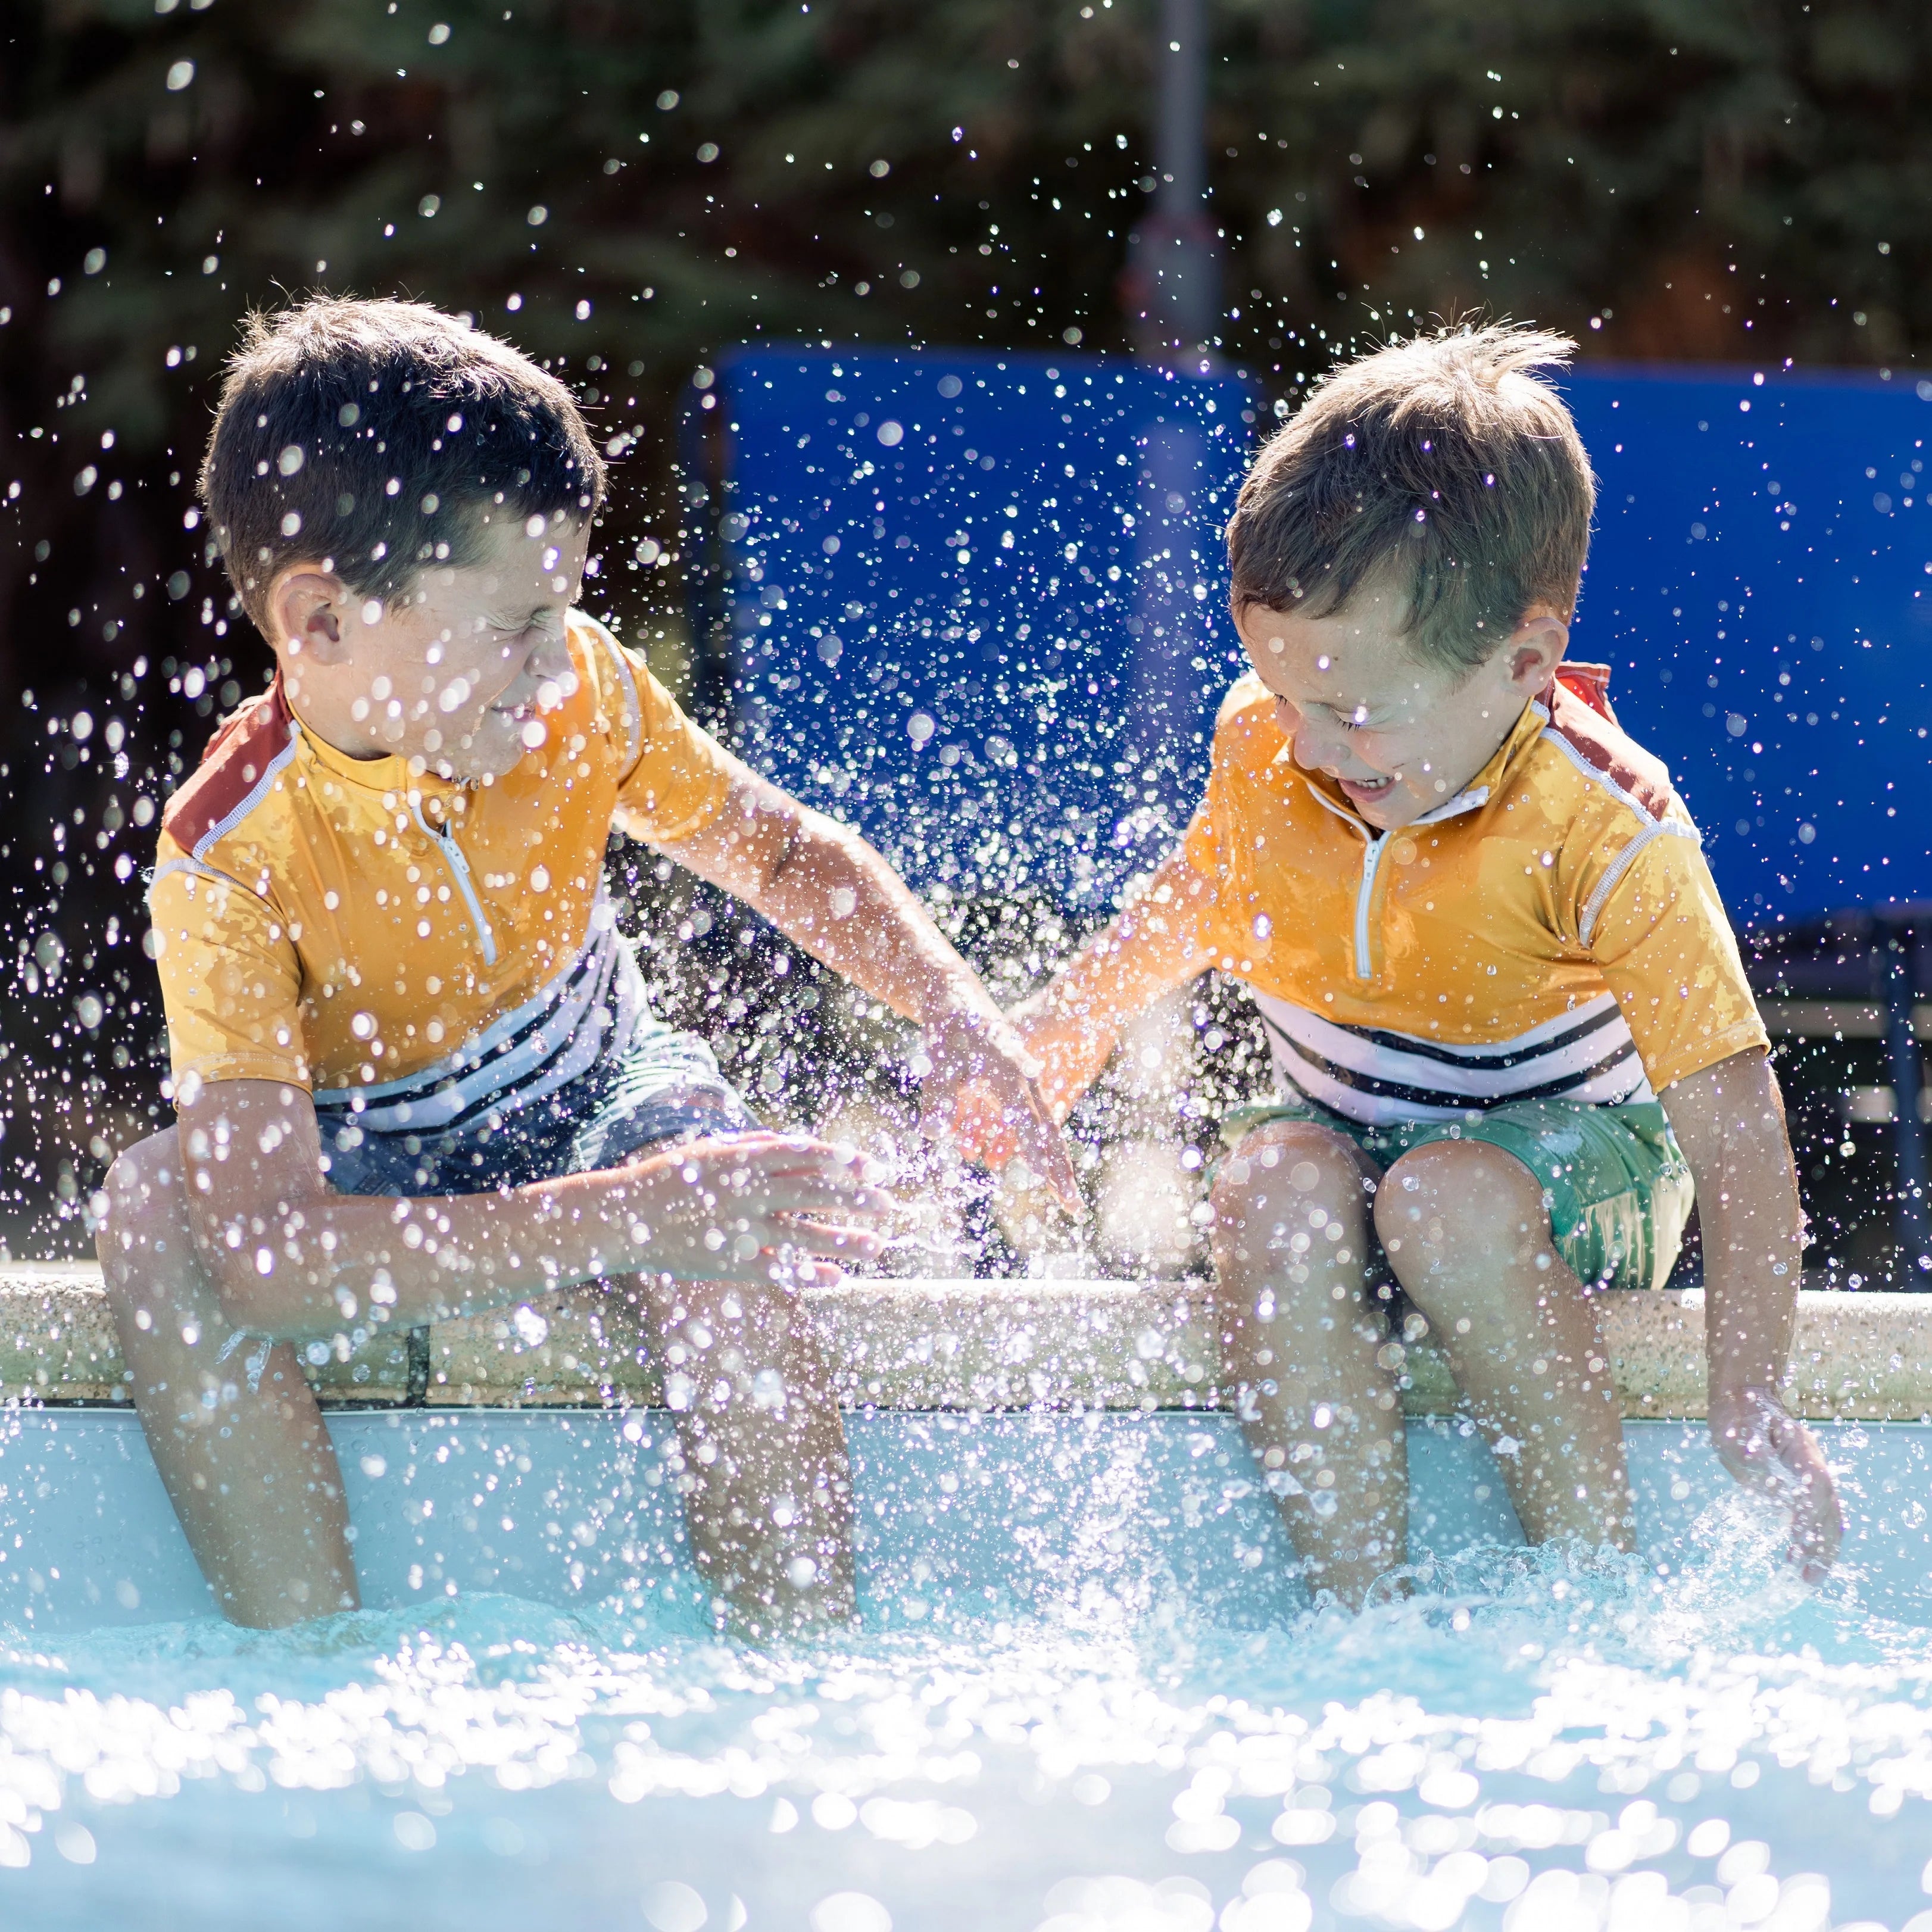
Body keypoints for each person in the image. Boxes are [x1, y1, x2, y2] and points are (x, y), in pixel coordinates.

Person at [98, 295, 1076, 1634]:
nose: (557, 662)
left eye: (563, 611)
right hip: (365, 1161)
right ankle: (308, 1665)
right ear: (319, 623)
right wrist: (637, 1217)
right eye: (515, 624)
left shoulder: (582, 694)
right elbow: (273, 1258)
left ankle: (799, 1664)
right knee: (156, 1214)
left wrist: (955, 1014)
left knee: (726, 1221)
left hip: (598, 1089)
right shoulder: (231, 856)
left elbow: (786, 860)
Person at [969, 324, 1842, 1609]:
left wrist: (1749, 1389)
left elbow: (1739, 1134)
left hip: (1567, 1178)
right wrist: (1047, 1045)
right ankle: (1358, 1618)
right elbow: (1188, 909)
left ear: (1527, 663)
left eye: (1356, 712)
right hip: (1349, 1132)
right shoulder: (1272, 744)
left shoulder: (1607, 827)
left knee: (1443, 1199)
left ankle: (1586, 1591)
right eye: (1283, 696)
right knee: (1265, 1187)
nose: (1310, 746)